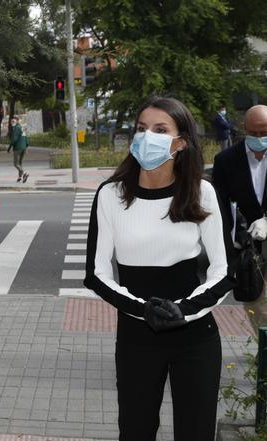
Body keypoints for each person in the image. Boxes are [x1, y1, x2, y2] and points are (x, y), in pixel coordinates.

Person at [84, 96, 235, 441]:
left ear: (180, 142)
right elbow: (96, 274)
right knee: (135, 432)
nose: (147, 136)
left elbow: (224, 272)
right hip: (137, 338)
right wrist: (142, 309)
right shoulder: (111, 195)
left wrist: (182, 310)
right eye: (141, 128)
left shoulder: (201, 192)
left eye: (160, 129)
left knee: (195, 433)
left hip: (195, 337)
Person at [212, 105, 267, 243]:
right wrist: (233, 235)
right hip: (242, 243)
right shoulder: (225, 160)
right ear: (245, 128)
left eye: (264, 133)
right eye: (253, 133)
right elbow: (220, 204)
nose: (259, 138)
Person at [7, 116, 29, 183]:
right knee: (20, 163)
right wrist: (26, 146)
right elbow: (25, 138)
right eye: (11, 121)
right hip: (23, 148)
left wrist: (9, 148)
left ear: (17, 121)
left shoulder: (16, 128)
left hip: (18, 148)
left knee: (16, 164)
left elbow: (14, 139)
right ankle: (20, 177)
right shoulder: (21, 127)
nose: (12, 123)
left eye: (13, 121)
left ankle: (24, 173)